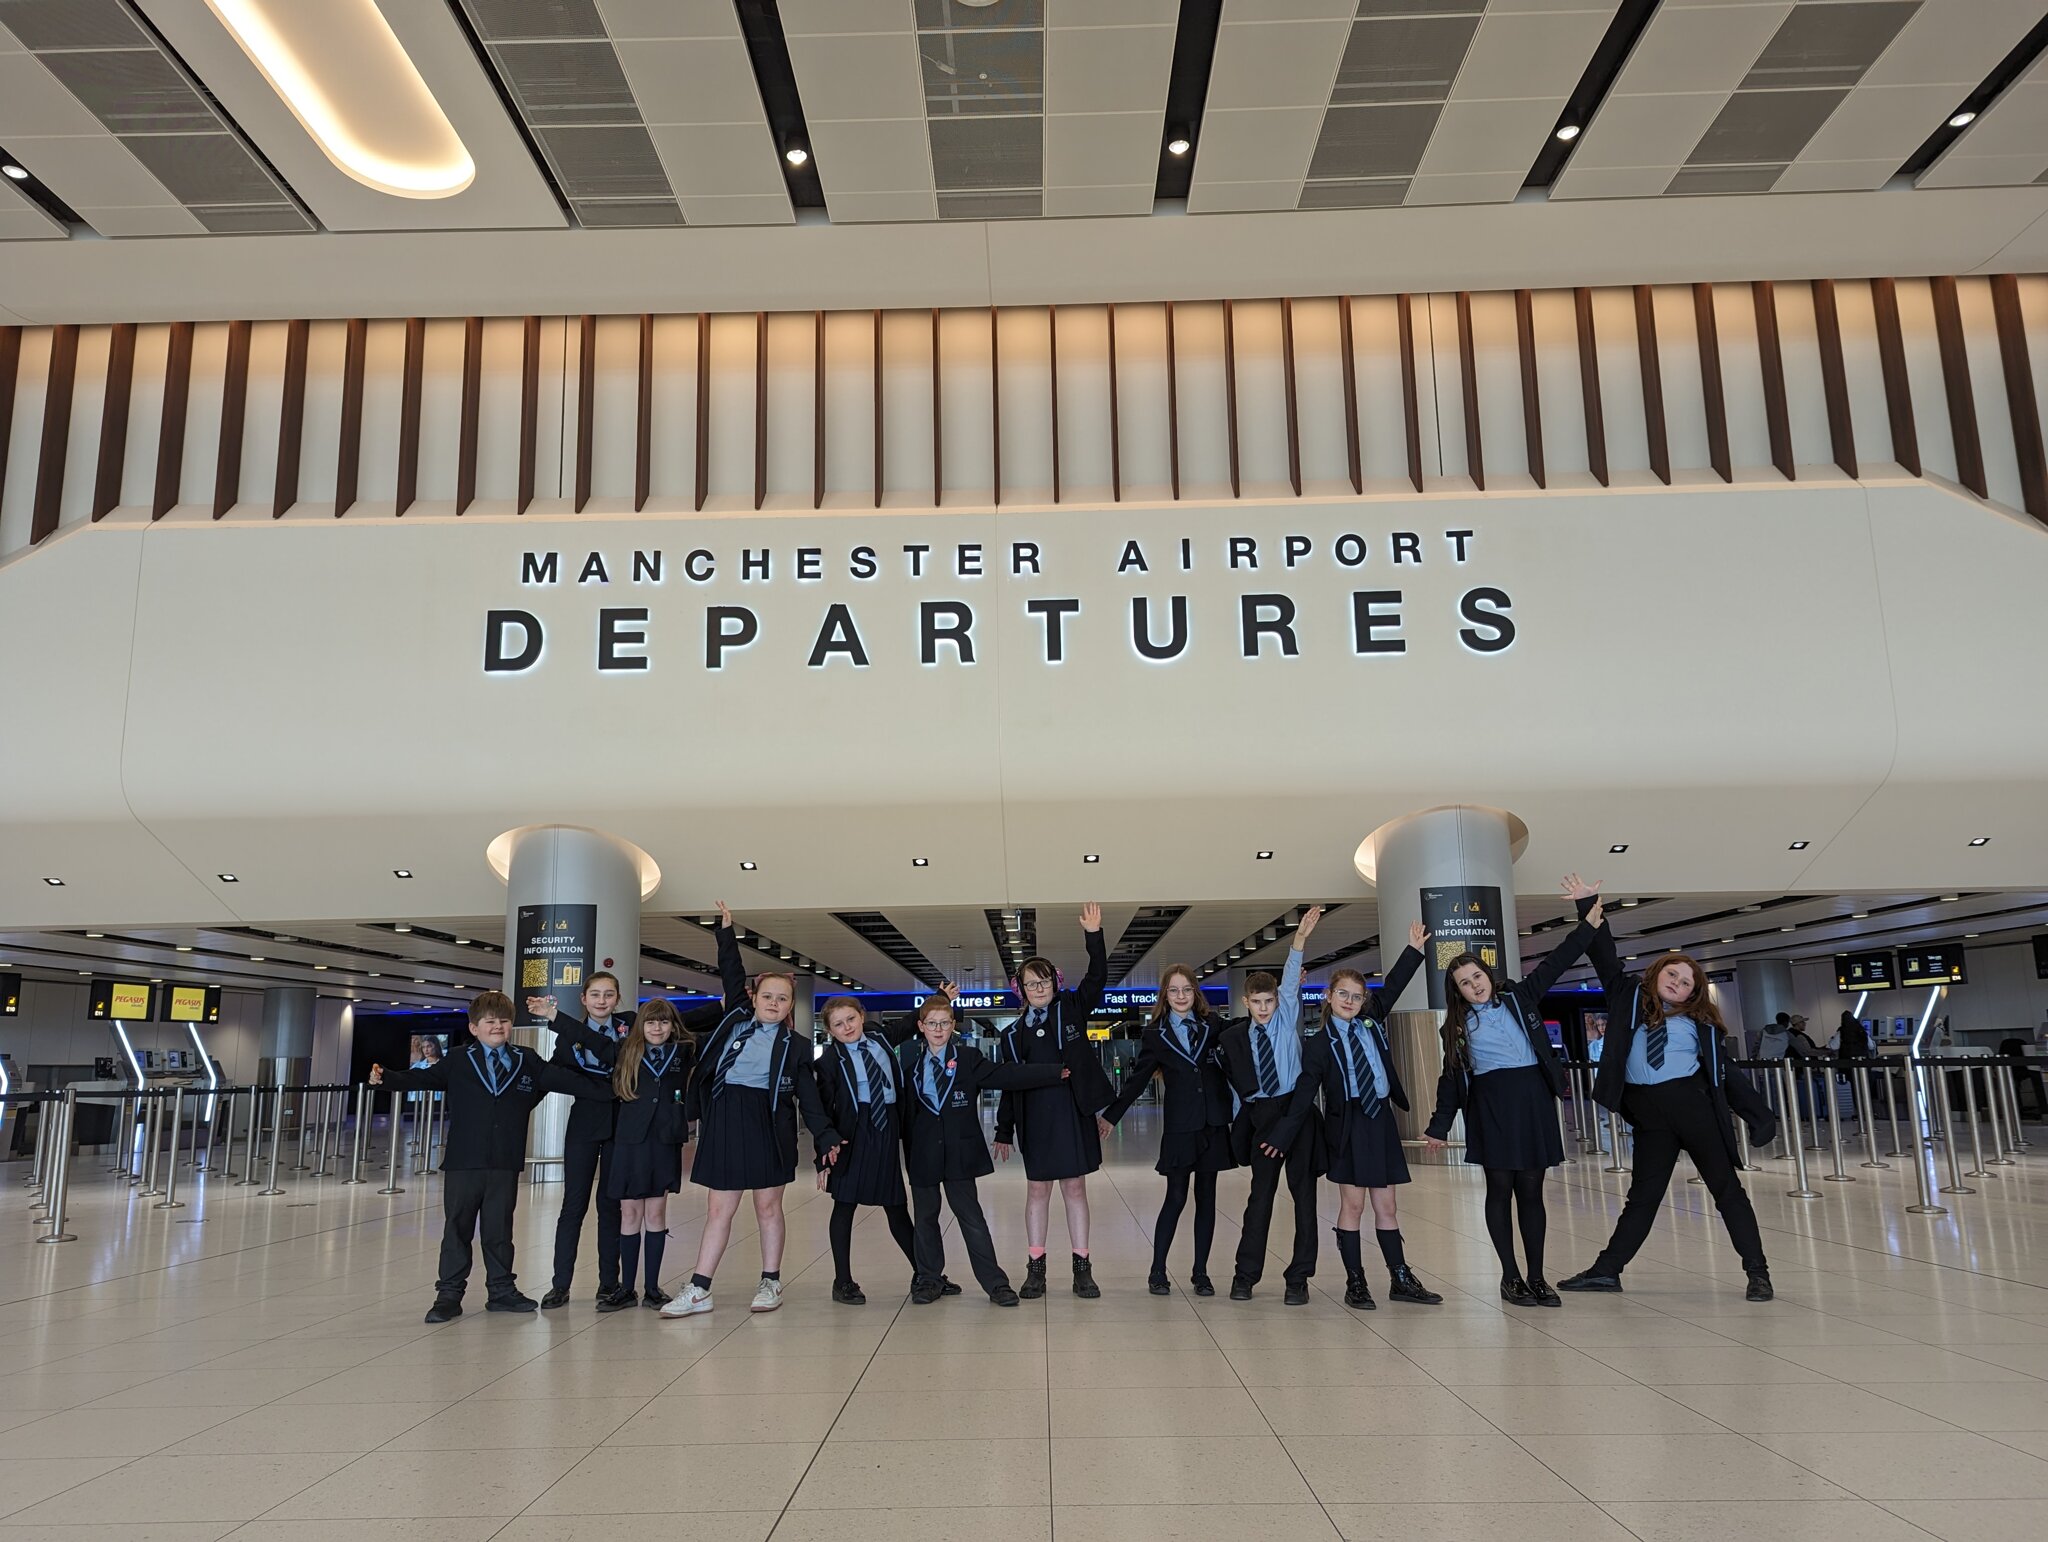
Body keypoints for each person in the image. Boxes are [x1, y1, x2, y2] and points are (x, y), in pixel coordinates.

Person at [1559, 928, 1779, 1302]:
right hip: (1650, 1120)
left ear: (1694, 993)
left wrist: (1760, 1118)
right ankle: (1606, 1271)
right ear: (1655, 974)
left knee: (1728, 1194)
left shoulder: (1699, 1025)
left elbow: (1726, 1075)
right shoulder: (1628, 1003)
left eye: (1686, 982)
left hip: (1694, 1113)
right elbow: (1606, 961)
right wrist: (1590, 911)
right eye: (1672, 974)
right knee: (1642, 1198)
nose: (1677, 983)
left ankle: (1758, 1274)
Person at [371, 991, 611, 1323]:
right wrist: (385, 1079)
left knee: (500, 1228)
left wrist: (617, 1089)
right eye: (489, 1022)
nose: (497, 1026)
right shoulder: (457, 1059)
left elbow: (568, 1081)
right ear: (474, 1028)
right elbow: (420, 1078)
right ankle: (449, 1295)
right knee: (458, 1227)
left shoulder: (527, 1060)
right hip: (464, 1161)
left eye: (503, 1021)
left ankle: (501, 1291)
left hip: (504, 1160)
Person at [1425, 877, 1605, 1308]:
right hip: (1492, 1103)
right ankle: (1510, 1277)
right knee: (1499, 1189)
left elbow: (1557, 963)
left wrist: (1588, 918)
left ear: (1487, 974)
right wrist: (1438, 1126)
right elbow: (1450, 1079)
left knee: (1531, 1190)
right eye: (1465, 983)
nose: (1474, 985)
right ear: (1458, 992)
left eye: (1476, 977)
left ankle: (1538, 1276)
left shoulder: (1519, 998)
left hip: (1531, 1097)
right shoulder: (1456, 1027)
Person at [661, 904, 841, 1319]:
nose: (774, 1003)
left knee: (767, 1207)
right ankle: (700, 1288)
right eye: (767, 996)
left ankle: (771, 1281)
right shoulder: (735, 1020)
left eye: (782, 999)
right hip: (723, 1118)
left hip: (767, 1122)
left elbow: (808, 1099)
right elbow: (730, 971)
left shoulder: (795, 1047)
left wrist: (825, 1136)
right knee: (719, 1210)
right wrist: (727, 932)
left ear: (790, 1005)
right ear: (754, 998)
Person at [900, 986, 1068, 1305]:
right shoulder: (909, 1066)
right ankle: (929, 1279)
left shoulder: (967, 1059)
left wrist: (1052, 1072)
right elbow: (902, 1113)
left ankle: (995, 1283)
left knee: (972, 1217)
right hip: (923, 1153)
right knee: (925, 1217)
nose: (938, 1029)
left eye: (945, 1023)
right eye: (932, 1023)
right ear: (921, 1026)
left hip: (959, 1153)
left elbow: (1006, 1075)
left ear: (953, 1025)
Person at [1301, 918, 1434, 1310]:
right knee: (1353, 1206)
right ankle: (1355, 1282)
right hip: (1349, 1125)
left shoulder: (1370, 1024)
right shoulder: (1320, 1042)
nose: (1349, 1001)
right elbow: (1308, 1091)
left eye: (1356, 996)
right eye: (1342, 994)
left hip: (1380, 1121)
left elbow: (1391, 988)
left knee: (1387, 1206)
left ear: (1363, 1001)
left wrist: (1413, 950)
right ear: (1328, 996)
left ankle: (1401, 1278)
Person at [542, 997, 699, 1310]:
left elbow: (714, 1033)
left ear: (673, 1026)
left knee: (655, 1214)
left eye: (664, 1022)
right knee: (629, 1213)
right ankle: (626, 1289)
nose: (657, 1028)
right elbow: (587, 1037)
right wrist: (554, 1015)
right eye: (651, 1022)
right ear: (640, 1025)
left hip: (664, 1142)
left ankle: (652, 1287)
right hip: (629, 1142)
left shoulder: (684, 1051)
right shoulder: (625, 1049)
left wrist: (730, 1005)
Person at [991, 904, 1114, 1299]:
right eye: (1031, 983)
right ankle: (1036, 1268)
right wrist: (1003, 1130)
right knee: (1038, 1192)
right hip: (1035, 1120)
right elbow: (1009, 1085)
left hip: (1072, 1114)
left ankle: (1082, 1267)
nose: (1039, 988)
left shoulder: (1073, 1011)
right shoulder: (1012, 1036)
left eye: (1044, 981)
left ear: (1055, 984)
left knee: (1075, 1188)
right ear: (1021, 989)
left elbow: (1098, 978)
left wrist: (1093, 936)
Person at [1100, 960, 1237, 1296]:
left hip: (1213, 1124)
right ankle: (1157, 1270)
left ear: (1195, 992)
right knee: (1175, 1197)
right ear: (1165, 995)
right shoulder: (1155, 1034)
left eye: (1186, 989)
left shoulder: (1213, 1025)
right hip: (1181, 1127)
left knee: (1207, 1199)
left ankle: (1200, 1273)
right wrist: (1110, 1116)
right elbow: (1137, 1080)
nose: (1180, 995)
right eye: (1174, 990)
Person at [1218, 904, 1326, 1304]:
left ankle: (1299, 1277)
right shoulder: (1237, 1039)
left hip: (1296, 1112)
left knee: (1304, 1198)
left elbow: (1290, 980)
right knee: (1259, 1198)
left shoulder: (1284, 1017)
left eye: (1270, 1001)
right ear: (1246, 1002)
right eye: (1257, 1001)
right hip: (1264, 1116)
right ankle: (1245, 1275)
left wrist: (1300, 938)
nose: (1264, 1007)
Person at [813, 995, 922, 1305]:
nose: (846, 1027)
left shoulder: (880, 1039)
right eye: (838, 1024)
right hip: (853, 1132)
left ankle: (925, 1272)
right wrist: (823, 1153)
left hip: (885, 1126)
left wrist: (941, 998)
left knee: (896, 1205)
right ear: (830, 1031)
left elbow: (909, 1022)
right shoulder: (829, 1062)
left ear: (861, 1016)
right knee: (844, 1205)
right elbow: (821, 1111)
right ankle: (842, 1281)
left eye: (850, 1019)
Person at [537, 970, 634, 1311]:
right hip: (583, 1124)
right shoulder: (566, 1038)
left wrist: (557, 1019)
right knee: (573, 1205)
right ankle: (560, 1284)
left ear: (617, 998)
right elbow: (555, 1074)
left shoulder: (629, 1027)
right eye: (595, 994)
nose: (602, 1001)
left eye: (609, 994)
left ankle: (609, 1283)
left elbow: (612, 1054)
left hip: (620, 1126)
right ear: (584, 999)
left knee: (611, 1206)